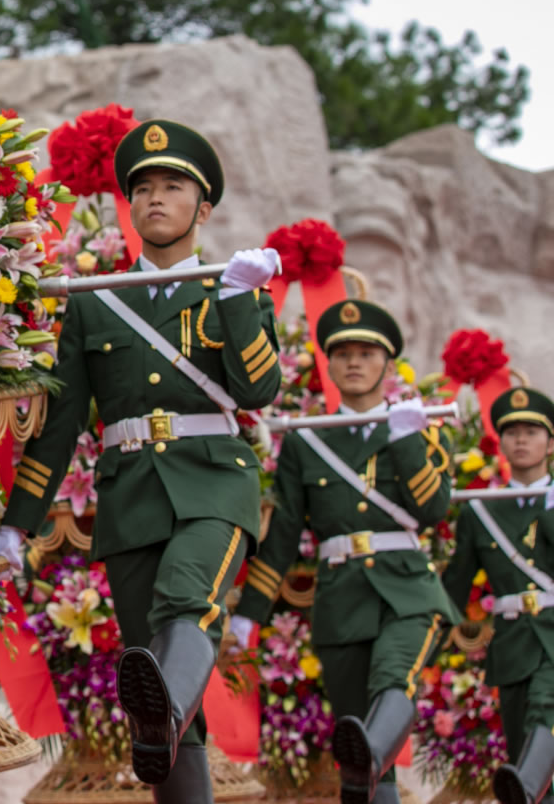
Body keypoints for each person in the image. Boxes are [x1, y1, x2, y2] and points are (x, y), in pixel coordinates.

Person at [0, 123, 282, 803]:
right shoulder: (97, 303)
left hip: (213, 481)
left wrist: (241, 302)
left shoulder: (231, 286)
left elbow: (259, 390)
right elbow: (60, 428)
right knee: (155, 670)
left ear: (202, 209)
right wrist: (19, 524)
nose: (155, 199)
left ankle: (156, 714)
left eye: (173, 187)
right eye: (144, 189)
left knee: (188, 602)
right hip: (129, 499)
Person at [229, 299, 454, 804]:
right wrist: (249, 616)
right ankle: (368, 771)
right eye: (344, 353)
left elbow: (434, 510)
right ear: (329, 364)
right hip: (341, 600)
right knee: (358, 731)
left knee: (394, 681)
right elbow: (285, 534)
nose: (354, 362)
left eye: (367, 353)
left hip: (407, 592)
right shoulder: (309, 441)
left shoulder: (416, 427)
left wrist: (407, 441)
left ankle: (367, 763)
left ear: (387, 365)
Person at [441, 386, 554, 804]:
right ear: (501, 442)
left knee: (548, 711)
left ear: (551, 442)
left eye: (532, 431)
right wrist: (429, 642)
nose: (521, 440)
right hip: (512, 644)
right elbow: (457, 583)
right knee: (522, 745)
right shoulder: (481, 509)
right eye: (512, 432)